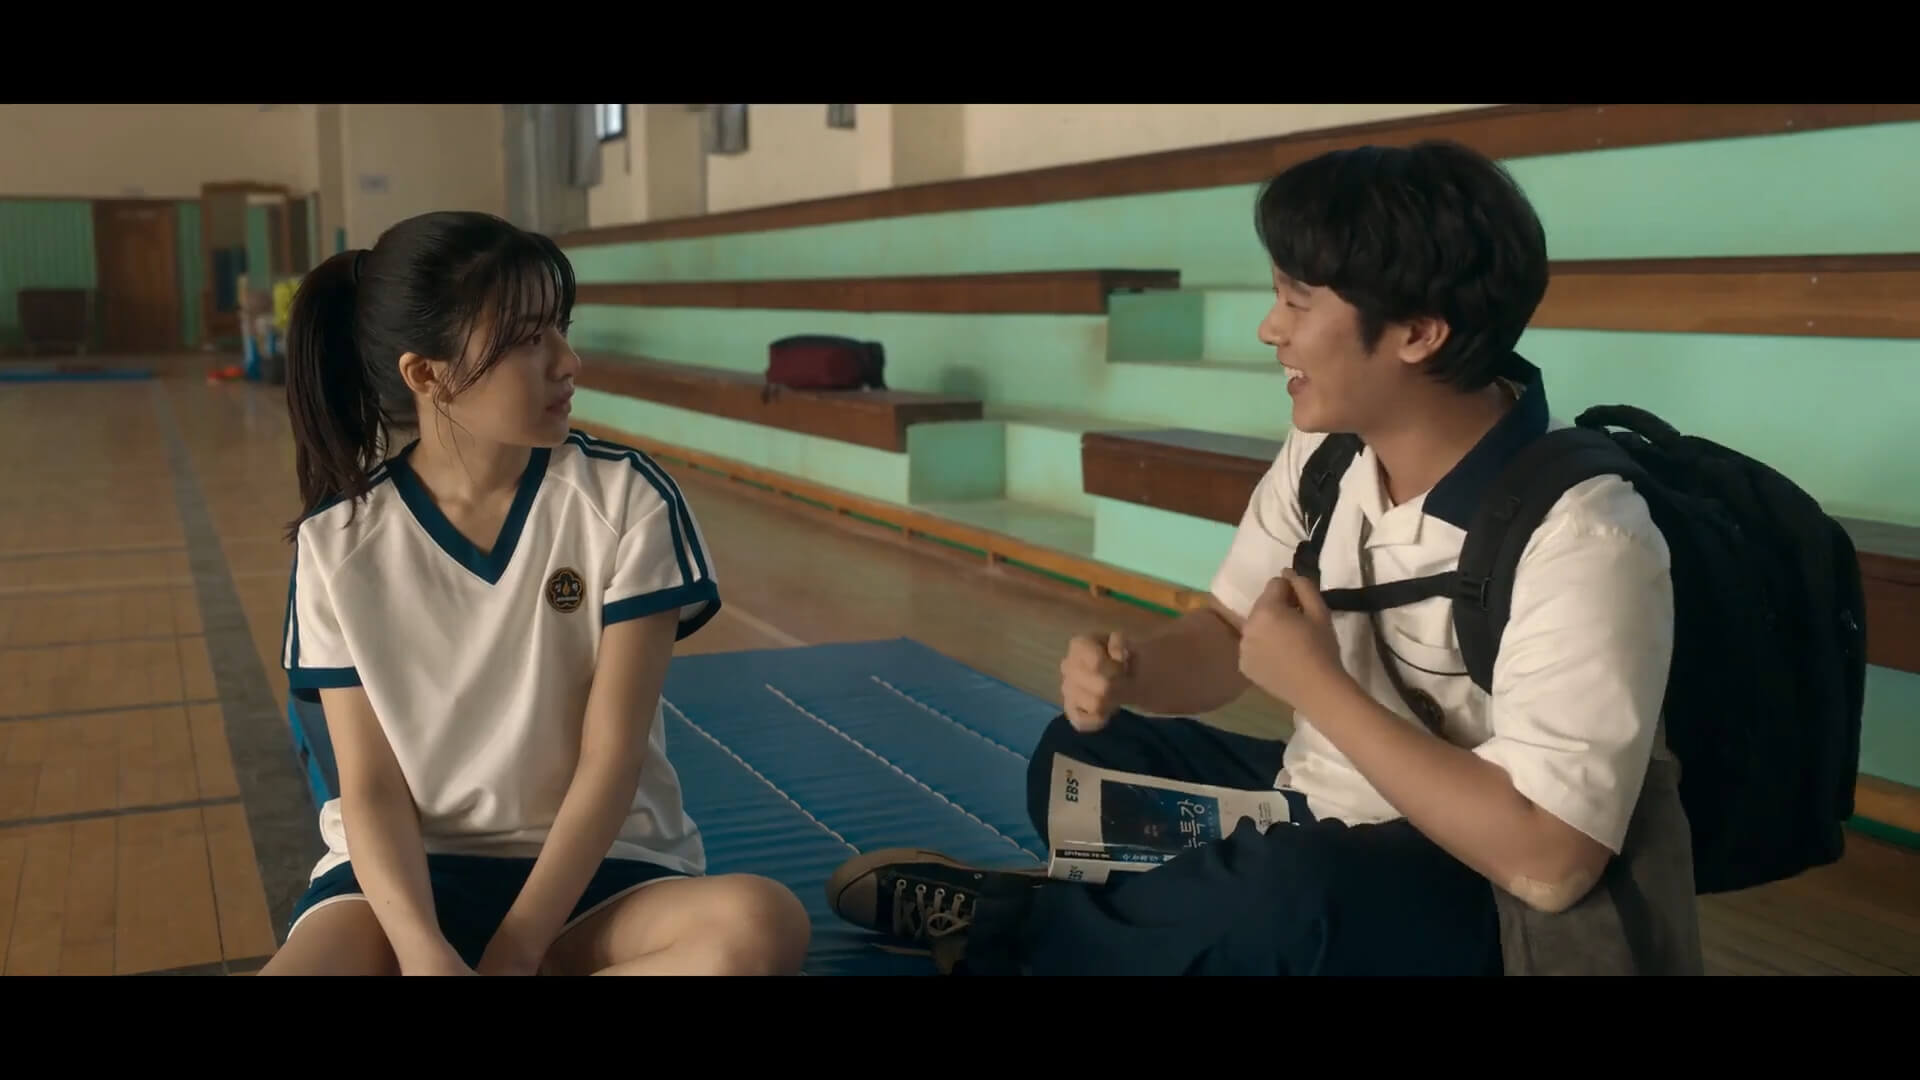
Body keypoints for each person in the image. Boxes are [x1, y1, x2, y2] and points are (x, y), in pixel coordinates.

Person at [823, 140, 1677, 976]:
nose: (1270, 329)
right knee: (1079, 757)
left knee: (1293, 894)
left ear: (1418, 332)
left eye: (1298, 304)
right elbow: (1230, 629)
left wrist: (1316, 689)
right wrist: (1133, 673)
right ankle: (1143, 923)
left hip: (1462, 881)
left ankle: (1021, 922)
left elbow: (1553, 861)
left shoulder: (1586, 537)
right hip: (1310, 804)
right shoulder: (1332, 452)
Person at [259, 211, 811, 976]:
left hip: (597, 876)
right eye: (526, 339)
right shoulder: (337, 543)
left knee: (759, 926)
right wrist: (423, 954)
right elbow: (372, 788)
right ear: (426, 375)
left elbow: (611, 757)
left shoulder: (626, 501)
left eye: (560, 327)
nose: (567, 361)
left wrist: (517, 950)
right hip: (402, 886)